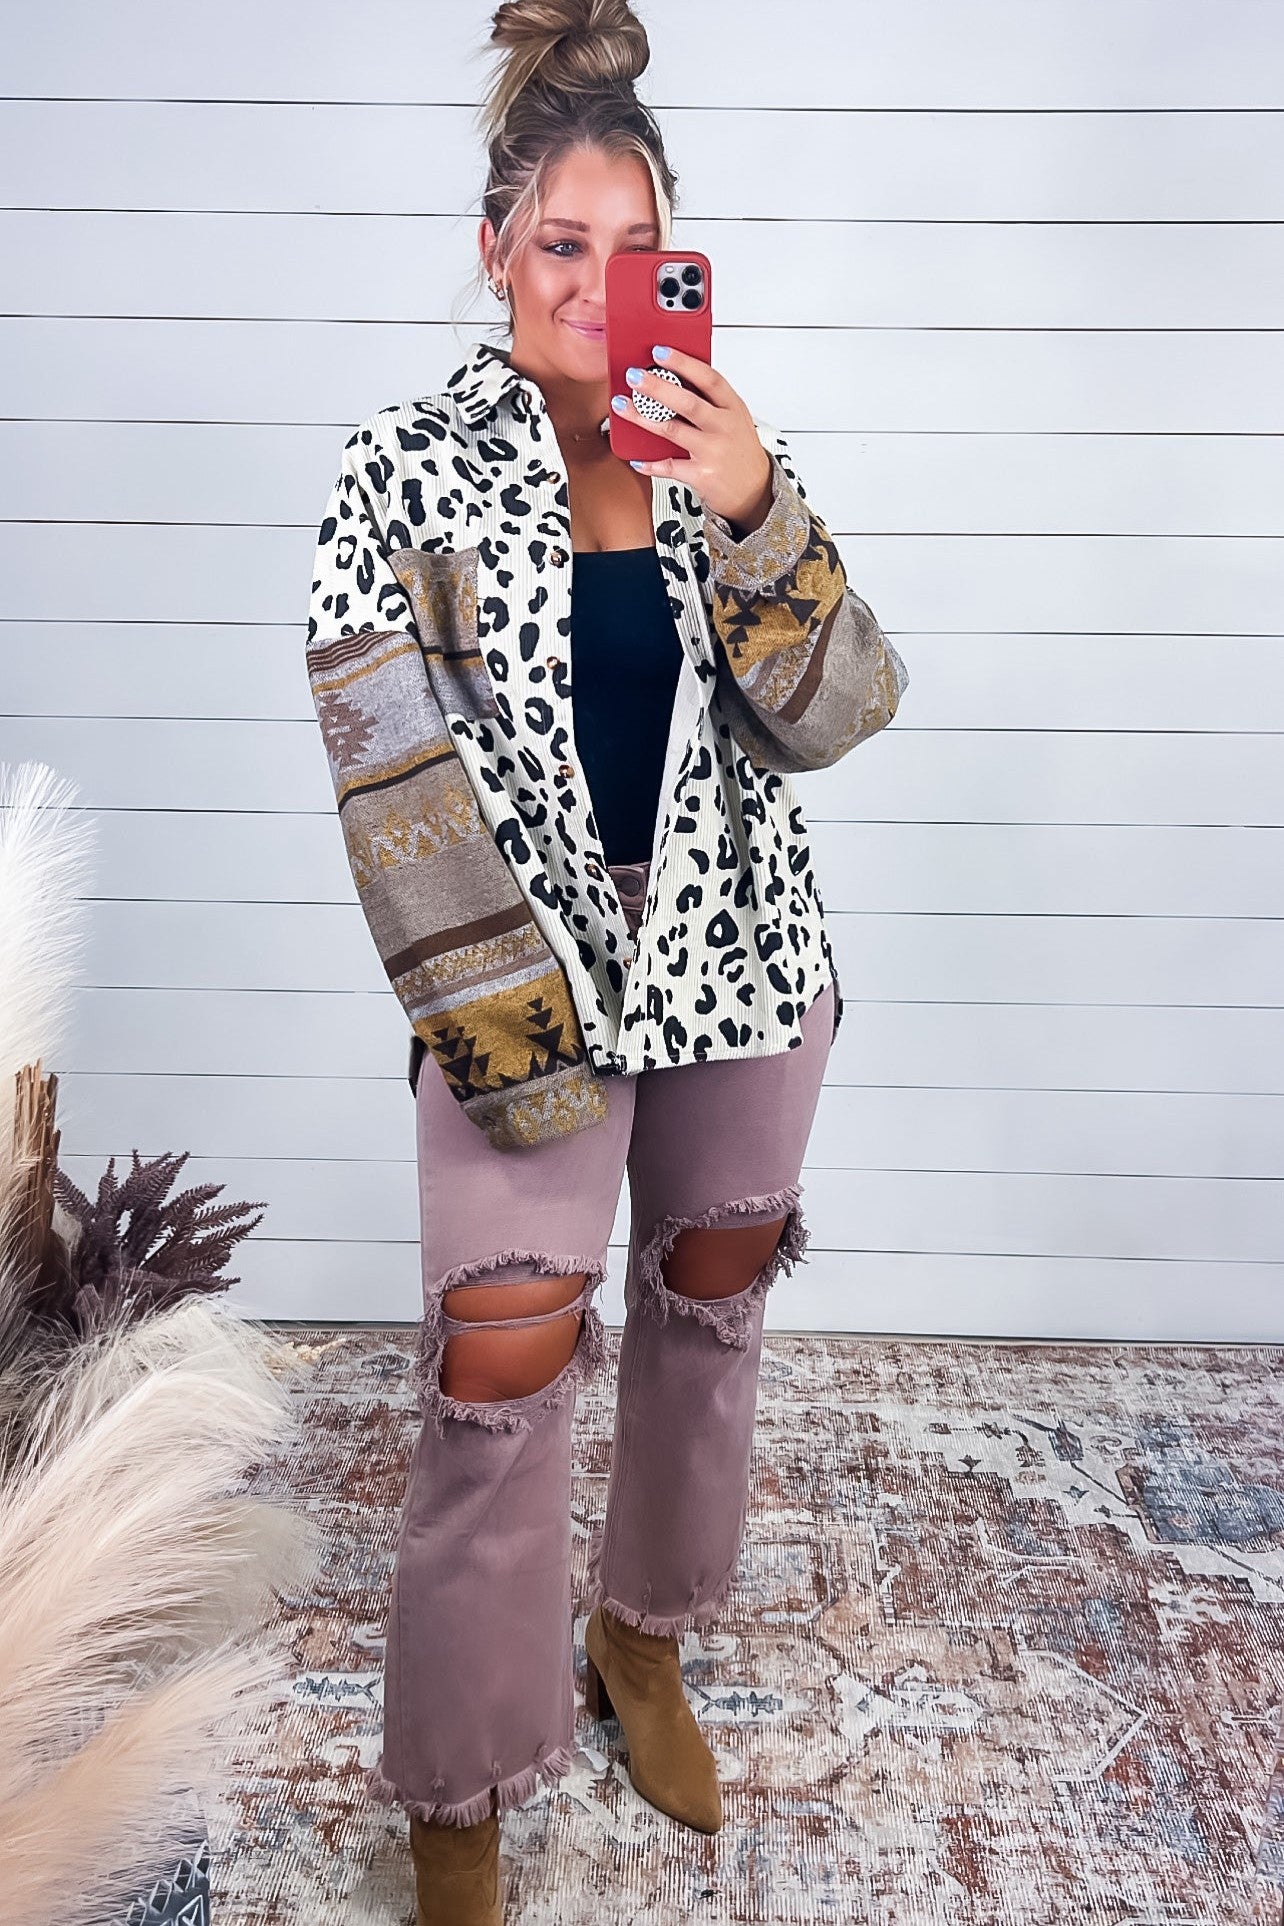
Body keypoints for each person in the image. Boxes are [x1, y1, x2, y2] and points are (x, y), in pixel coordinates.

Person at [304, 3, 908, 1918]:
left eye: (636, 248)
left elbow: (845, 710)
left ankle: (640, 1638)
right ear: (495, 249)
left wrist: (753, 505)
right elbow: (392, 783)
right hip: (517, 987)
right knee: (502, 1368)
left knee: (713, 1304)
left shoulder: (716, 454)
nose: (594, 282)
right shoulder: (400, 472)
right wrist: (505, 1041)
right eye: (562, 243)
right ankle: (460, 1796)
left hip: (740, 956)